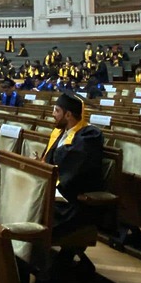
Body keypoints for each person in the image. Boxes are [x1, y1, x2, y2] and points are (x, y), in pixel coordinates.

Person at [43, 92, 104, 241]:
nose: (53, 114)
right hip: (56, 194)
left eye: (57, 110)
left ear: (68, 115)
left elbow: (69, 161)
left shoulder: (91, 134)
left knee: (36, 210)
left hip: (73, 202)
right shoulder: (61, 132)